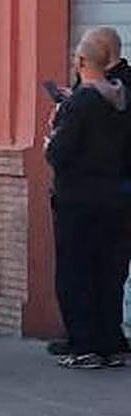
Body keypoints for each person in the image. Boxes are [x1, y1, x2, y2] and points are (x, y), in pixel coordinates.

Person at [45, 30, 131, 369]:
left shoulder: (79, 103)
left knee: (76, 270)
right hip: (115, 197)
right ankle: (111, 341)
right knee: (109, 272)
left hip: (77, 199)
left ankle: (83, 345)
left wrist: (50, 141)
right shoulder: (123, 98)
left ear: (81, 62)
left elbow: (61, 152)